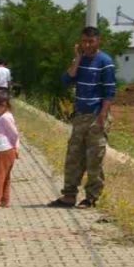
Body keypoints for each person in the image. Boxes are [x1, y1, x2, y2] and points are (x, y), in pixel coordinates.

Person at [50, 26, 117, 209]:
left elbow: (109, 92)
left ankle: (91, 198)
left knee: (94, 158)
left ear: (98, 41)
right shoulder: (80, 61)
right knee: (73, 156)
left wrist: (102, 117)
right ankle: (69, 196)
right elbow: (67, 79)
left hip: (97, 116)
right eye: (84, 41)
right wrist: (78, 57)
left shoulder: (105, 62)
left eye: (91, 41)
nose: (87, 45)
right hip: (80, 116)